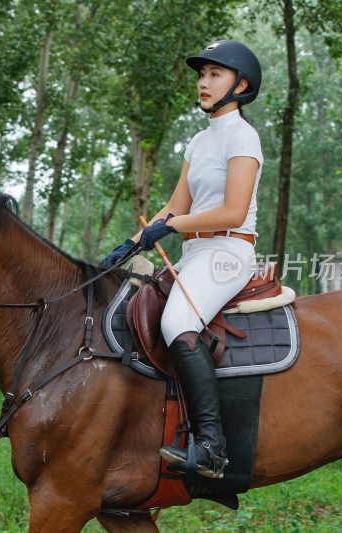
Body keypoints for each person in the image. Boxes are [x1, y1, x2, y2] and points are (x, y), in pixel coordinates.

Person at [100, 40, 263, 479]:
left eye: (215, 74)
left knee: (177, 324)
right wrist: (130, 244)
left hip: (229, 251)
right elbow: (173, 206)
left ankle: (211, 446)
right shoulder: (199, 140)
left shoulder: (243, 136)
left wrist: (170, 227)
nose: (204, 82)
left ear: (241, 85)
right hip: (194, 252)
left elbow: (231, 210)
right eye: (202, 74)